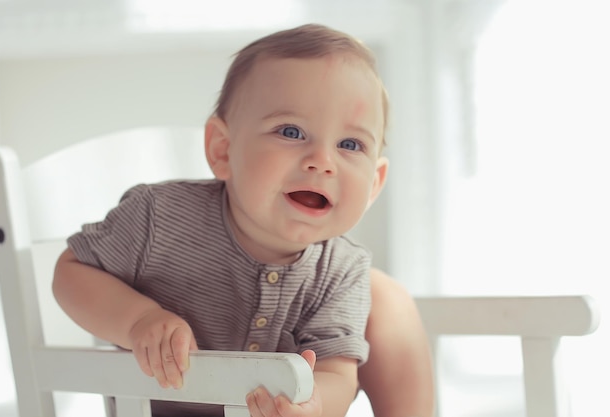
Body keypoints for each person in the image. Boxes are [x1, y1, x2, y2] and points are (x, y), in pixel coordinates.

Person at [53, 24, 433, 417]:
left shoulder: (341, 271)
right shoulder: (160, 218)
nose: (322, 160)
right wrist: (138, 319)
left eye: (350, 144)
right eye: (291, 131)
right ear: (223, 150)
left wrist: (313, 404)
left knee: (388, 296)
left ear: (374, 184)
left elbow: (338, 373)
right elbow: (71, 272)